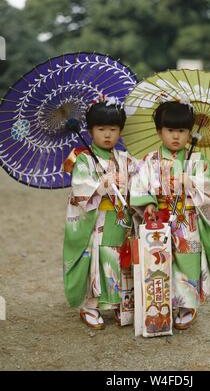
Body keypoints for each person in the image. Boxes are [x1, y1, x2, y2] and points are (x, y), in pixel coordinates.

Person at [130, 101, 210, 330]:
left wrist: (191, 181)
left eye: (181, 131)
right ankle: (162, 304)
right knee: (160, 260)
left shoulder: (197, 161)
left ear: (189, 132)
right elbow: (139, 186)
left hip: (187, 220)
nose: (176, 137)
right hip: (161, 218)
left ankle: (187, 304)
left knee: (187, 259)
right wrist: (150, 204)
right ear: (159, 131)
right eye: (170, 130)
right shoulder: (150, 160)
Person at [63, 98, 137, 329]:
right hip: (97, 221)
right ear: (90, 130)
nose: (107, 135)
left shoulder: (125, 159)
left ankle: (118, 304)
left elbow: (140, 182)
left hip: (121, 220)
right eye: (101, 129)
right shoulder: (83, 158)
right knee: (98, 259)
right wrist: (101, 185)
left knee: (120, 260)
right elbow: (80, 189)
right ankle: (91, 305)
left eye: (113, 129)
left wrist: (131, 185)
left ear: (120, 131)